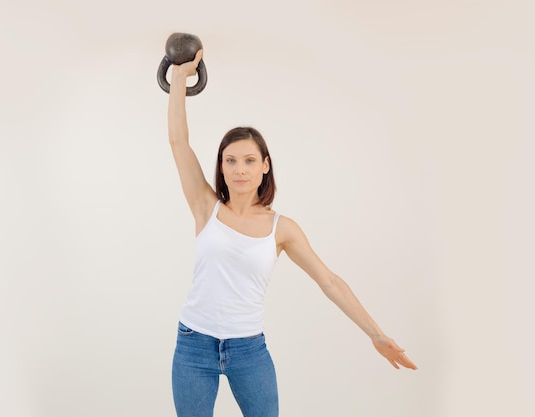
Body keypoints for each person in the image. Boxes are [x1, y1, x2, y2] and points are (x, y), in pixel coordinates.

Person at [167, 49, 417, 417]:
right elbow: (178, 142)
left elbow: (329, 281)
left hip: (249, 350)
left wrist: (376, 333)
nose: (240, 170)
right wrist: (177, 81)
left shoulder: (281, 228)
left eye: (250, 160)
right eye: (231, 160)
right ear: (221, 166)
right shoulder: (206, 207)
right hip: (193, 345)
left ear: (265, 166)